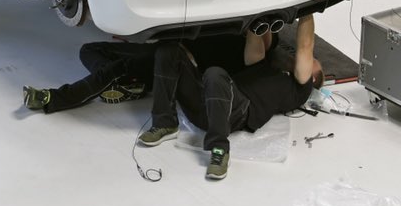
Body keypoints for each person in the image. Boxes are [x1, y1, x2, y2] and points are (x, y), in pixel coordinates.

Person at [136, 14, 322, 181]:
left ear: (313, 77)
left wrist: (308, 10)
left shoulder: (299, 89)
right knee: (169, 52)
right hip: (205, 104)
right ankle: (164, 122)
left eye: (314, 62)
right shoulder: (266, 69)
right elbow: (255, 36)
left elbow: (305, 46)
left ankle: (219, 150)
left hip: (234, 113)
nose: (309, 59)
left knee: (215, 74)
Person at [23, 33, 275, 113]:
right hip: (163, 47)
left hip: (176, 63)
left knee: (114, 69)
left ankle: (53, 98)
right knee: (89, 49)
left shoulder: (252, 56)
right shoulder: (235, 24)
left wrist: (259, 26)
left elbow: (261, 48)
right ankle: (130, 83)